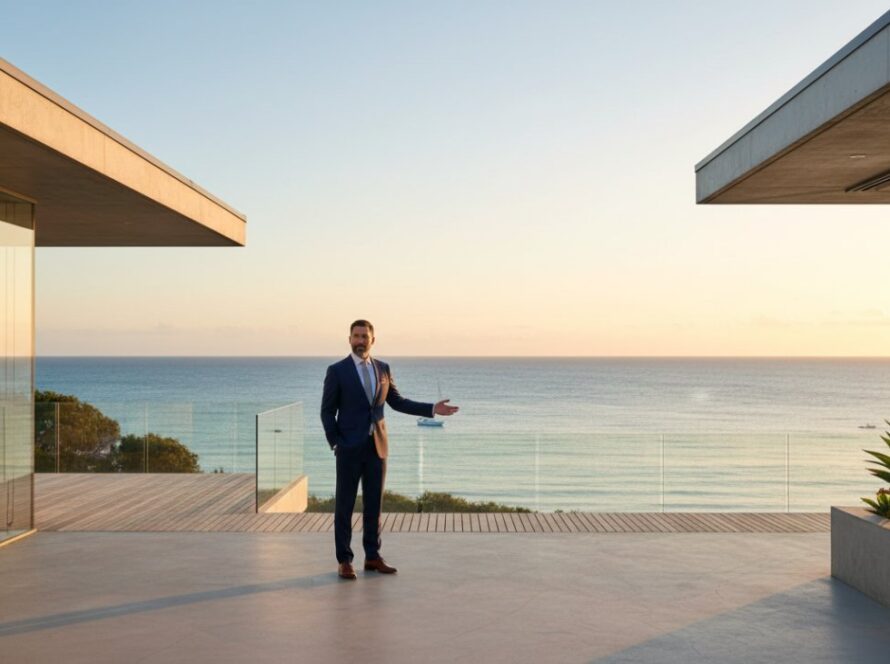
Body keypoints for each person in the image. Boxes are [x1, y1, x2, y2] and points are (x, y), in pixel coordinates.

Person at [321, 319, 459, 579]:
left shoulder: (383, 369)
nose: (361, 340)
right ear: (349, 339)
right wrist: (336, 442)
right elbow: (327, 411)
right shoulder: (337, 371)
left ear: (373, 340)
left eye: (365, 336)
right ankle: (345, 560)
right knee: (345, 506)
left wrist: (432, 409)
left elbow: (397, 402)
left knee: (374, 505)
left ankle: (372, 557)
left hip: (378, 447)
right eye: (356, 336)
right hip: (349, 449)